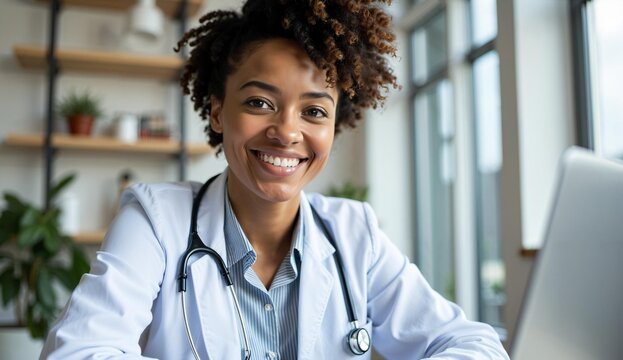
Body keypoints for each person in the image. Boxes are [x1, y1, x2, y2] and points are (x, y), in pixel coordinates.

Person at [41, 0, 510, 359]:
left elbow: (474, 343)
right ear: (219, 112)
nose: (287, 132)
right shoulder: (156, 219)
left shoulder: (354, 235)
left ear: (333, 127)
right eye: (259, 103)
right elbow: (79, 350)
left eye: (313, 111)